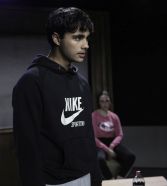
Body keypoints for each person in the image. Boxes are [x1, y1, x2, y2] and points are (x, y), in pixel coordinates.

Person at [12, 7, 102, 186]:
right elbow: (27, 148)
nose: (86, 45)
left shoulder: (82, 83)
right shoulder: (31, 82)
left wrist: (96, 177)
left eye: (86, 38)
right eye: (77, 37)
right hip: (53, 181)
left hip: (86, 177)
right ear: (56, 38)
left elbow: (87, 136)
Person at [92, 90, 135, 179]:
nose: (105, 104)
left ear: (110, 102)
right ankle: (110, 179)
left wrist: (112, 146)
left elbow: (119, 134)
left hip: (113, 142)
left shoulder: (114, 116)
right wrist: (107, 150)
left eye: (107, 101)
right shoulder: (94, 115)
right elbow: (93, 137)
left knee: (131, 156)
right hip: (100, 143)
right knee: (99, 159)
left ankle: (120, 177)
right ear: (99, 103)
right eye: (102, 101)